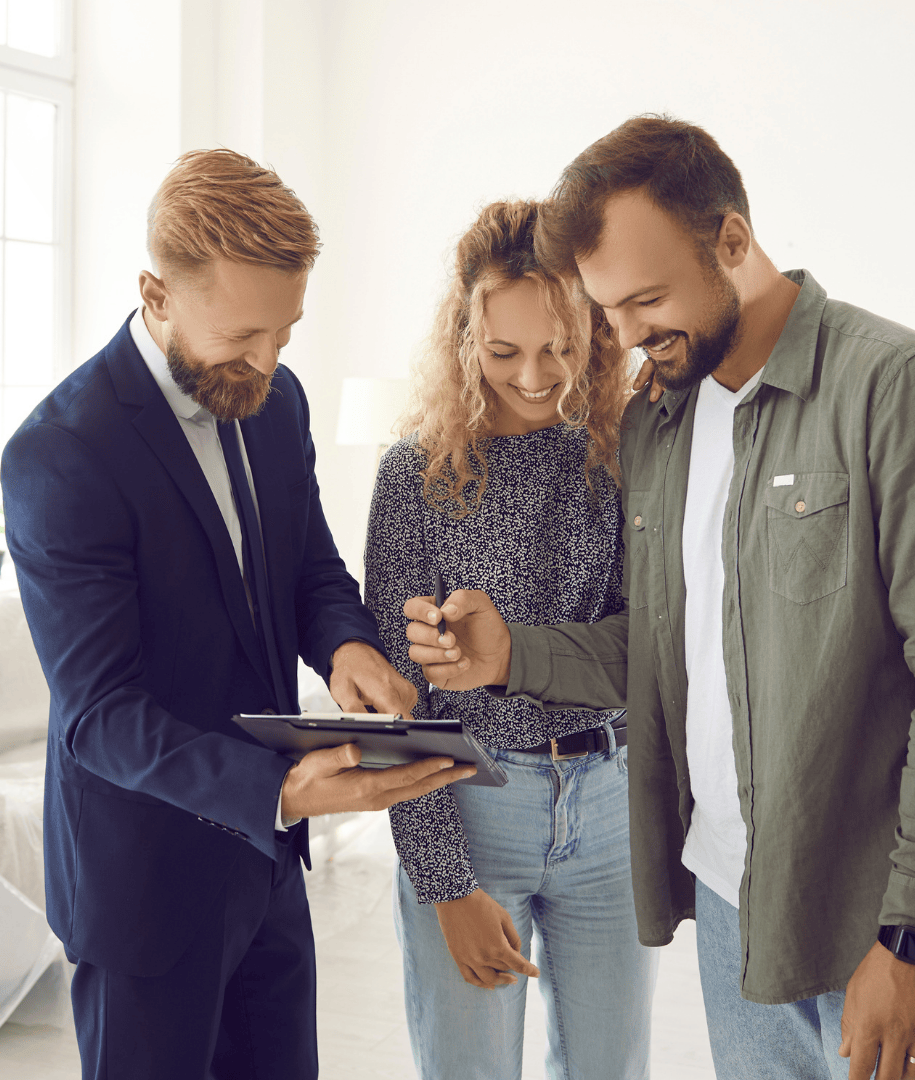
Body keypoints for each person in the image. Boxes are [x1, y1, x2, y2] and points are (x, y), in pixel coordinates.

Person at [405, 115, 915, 1080]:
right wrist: (510, 655)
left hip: (885, 917)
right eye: (606, 309)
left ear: (732, 242)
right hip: (736, 910)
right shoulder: (663, 421)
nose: (625, 339)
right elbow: (665, 652)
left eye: (646, 300)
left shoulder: (900, 387)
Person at [3, 148, 474, 1080]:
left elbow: (307, 567)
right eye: (243, 335)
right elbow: (100, 716)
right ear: (156, 292)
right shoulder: (61, 455)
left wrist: (344, 644)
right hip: (144, 884)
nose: (266, 361)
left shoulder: (275, 401)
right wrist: (281, 790)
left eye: (286, 332)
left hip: (265, 871)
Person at [363, 200, 652, 1079]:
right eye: (503, 352)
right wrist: (446, 885)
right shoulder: (414, 475)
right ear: (463, 339)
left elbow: (647, 641)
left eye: (560, 347)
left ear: (595, 334)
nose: (536, 376)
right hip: (470, 802)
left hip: (607, 802)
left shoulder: (618, 450)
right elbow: (394, 711)